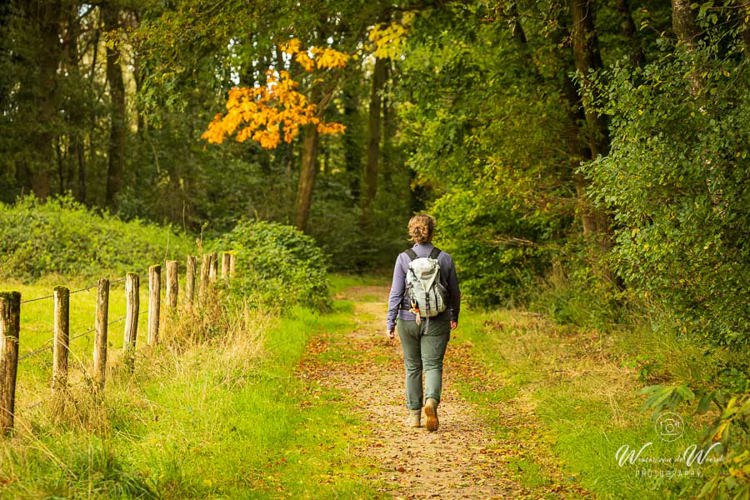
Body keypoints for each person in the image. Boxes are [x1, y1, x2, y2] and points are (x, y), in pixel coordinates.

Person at [386, 214, 460, 431]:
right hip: (437, 319)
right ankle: (431, 402)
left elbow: (396, 292)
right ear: (432, 231)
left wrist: (390, 321)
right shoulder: (444, 258)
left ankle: (414, 416)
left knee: (412, 366)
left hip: (408, 319)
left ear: (412, 232)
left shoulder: (403, 258)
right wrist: (454, 315)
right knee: (433, 365)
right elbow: (455, 292)